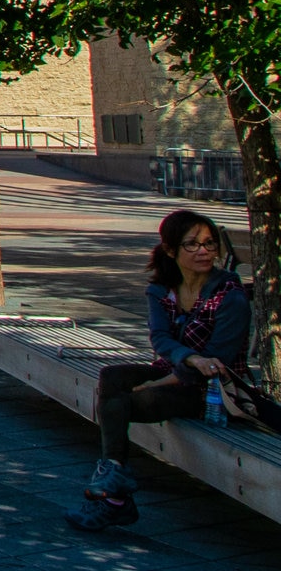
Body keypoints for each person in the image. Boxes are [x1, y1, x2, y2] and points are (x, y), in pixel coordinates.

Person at [68, 210, 250, 532]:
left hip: (213, 392)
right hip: (175, 373)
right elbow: (160, 338)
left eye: (209, 244)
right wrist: (186, 360)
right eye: (192, 244)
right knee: (112, 377)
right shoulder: (162, 290)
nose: (204, 251)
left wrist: (163, 380)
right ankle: (115, 474)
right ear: (170, 250)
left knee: (126, 403)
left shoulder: (230, 296)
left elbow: (215, 363)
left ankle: (113, 498)